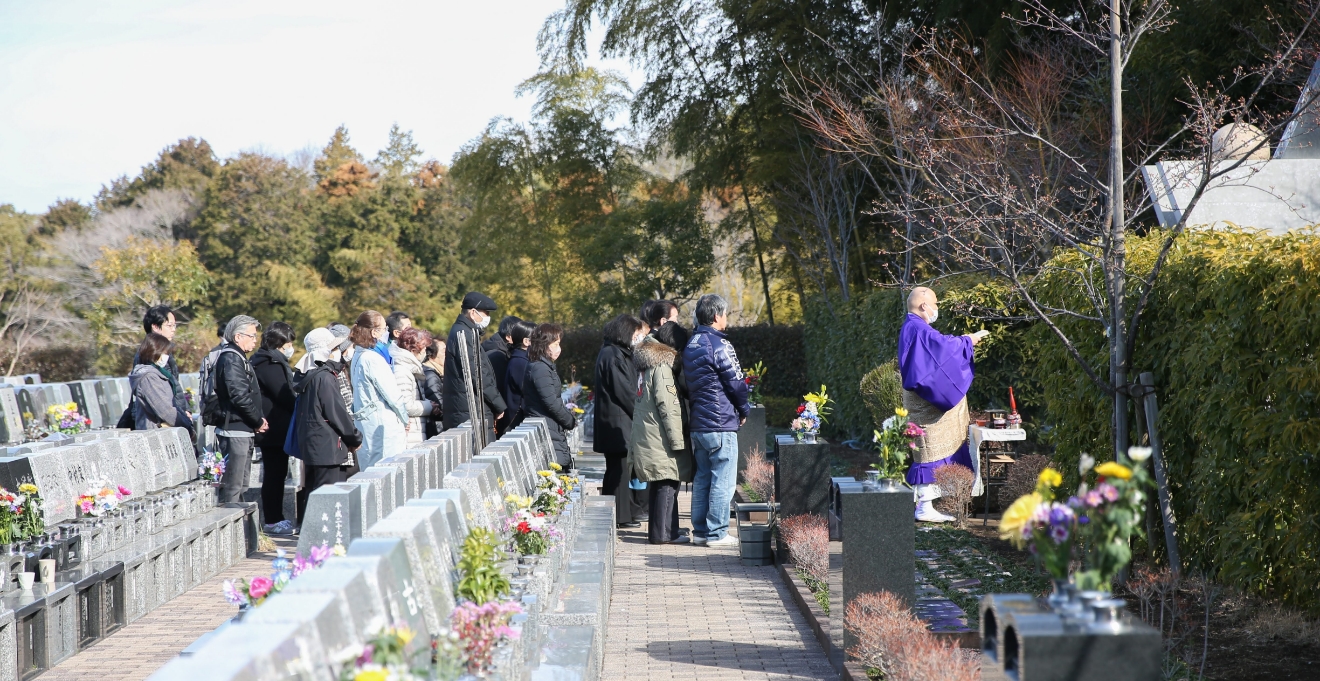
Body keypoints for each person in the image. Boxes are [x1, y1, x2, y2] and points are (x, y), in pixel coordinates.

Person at [898, 286, 987, 523]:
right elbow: (943, 348)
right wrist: (968, 341)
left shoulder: (913, 326)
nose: (937, 309)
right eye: (936, 304)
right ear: (924, 306)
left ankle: (930, 503)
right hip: (924, 403)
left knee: (929, 448)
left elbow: (938, 350)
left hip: (920, 399)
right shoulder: (917, 327)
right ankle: (925, 506)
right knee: (929, 449)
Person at [683, 294, 749, 547]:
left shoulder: (692, 344)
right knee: (723, 479)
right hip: (720, 423)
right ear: (715, 316)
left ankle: (700, 531)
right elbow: (736, 382)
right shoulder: (720, 345)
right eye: (725, 314)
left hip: (699, 423)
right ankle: (718, 533)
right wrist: (744, 410)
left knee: (702, 479)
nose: (726, 319)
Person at [630, 321, 694, 544]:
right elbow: (669, 407)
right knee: (667, 484)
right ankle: (664, 534)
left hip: (650, 433)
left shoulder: (648, 363)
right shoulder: (662, 367)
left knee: (661, 484)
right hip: (661, 436)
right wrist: (678, 441)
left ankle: (666, 531)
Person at [291, 327, 363, 525]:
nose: (339, 351)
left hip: (315, 445)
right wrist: (354, 437)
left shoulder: (310, 375)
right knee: (327, 497)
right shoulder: (324, 377)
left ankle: (311, 536)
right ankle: (319, 540)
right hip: (328, 447)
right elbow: (336, 412)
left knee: (314, 493)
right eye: (335, 348)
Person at [594, 313, 648, 528]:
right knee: (618, 470)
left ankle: (625, 512)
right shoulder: (612, 355)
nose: (638, 337)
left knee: (621, 469)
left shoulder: (617, 353)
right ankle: (620, 516)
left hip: (619, 420)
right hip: (617, 421)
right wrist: (640, 411)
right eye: (636, 333)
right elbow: (624, 391)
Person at [213, 315, 268, 504]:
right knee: (233, 486)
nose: (255, 340)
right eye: (251, 335)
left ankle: (241, 530)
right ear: (238, 337)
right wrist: (257, 420)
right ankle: (230, 531)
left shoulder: (239, 358)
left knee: (242, 485)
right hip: (234, 429)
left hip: (243, 429)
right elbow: (239, 396)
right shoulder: (231, 359)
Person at [250, 321, 298, 536]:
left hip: (278, 427)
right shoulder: (268, 363)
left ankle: (276, 517)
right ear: (279, 342)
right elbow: (283, 394)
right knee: (274, 475)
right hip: (273, 428)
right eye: (288, 342)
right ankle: (272, 519)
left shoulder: (271, 361)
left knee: (277, 474)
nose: (290, 347)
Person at [349, 310, 411, 469]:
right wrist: (404, 418)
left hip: (366, 421)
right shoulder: (373, 358)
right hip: (382, 424)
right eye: (384, 329)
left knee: (369, 470)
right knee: (385, 472)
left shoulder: (358, 354)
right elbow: (392, 394)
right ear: (374, 332)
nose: (386, 333)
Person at [442, 292, 506, 435]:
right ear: (472, 312)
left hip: (471, 408)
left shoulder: (467, 331)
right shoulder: (464, 334)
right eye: (486, 313)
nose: (487, 317)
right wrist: (499, 405)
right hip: (470, 410)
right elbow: (478, 374)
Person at [521, 323, 577, 467]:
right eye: (555, 344)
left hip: (550, 426)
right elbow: (551, 402)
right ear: (544, 344)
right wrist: (569, 420)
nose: (559, 349)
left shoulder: (543, 365)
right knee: (554, 468)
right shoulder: (540, 368)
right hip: (546, 427)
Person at [119, 305, 184, 428]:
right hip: (158, 424)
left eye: (174, 325)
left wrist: (183, 411)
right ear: (155, 327)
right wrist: (181, 419)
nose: (173, 329)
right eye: (169, 325)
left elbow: (174, 386)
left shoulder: (165, 352)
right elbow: (159, 401)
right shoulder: (147, 357)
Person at [128, 332, 195, 435]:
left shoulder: (159, 373)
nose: (166, 357)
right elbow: (165, 410)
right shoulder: (149, 377)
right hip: (155, 434)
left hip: (164, 432)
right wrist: (186, 425)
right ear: (154, 351)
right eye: (165, 353)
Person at [389, 327, 437, 446]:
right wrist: (429, 406)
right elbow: (405, 404)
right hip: (410, 435)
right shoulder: (402, 371)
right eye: (423, 349)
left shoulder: (409, 368)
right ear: (413, 350)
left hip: (415, 430)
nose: (425, 353)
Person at [485, 315, 521, 435]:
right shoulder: (497, 356)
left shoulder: (501, 351)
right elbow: (498, 387)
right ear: (509, 337)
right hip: (496, 416)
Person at [503, 320, 536, 424]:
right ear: (526, 341)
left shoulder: (521, 359)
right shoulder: (520, 362)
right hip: (518, 420)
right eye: (537, 339)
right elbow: (528, 391)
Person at [421, 337, 445, 438]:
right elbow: (438, 406)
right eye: (444, 351)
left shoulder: (437, 373)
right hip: (437, 429)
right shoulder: (430, 375)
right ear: (431, 355)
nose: (447, 354)